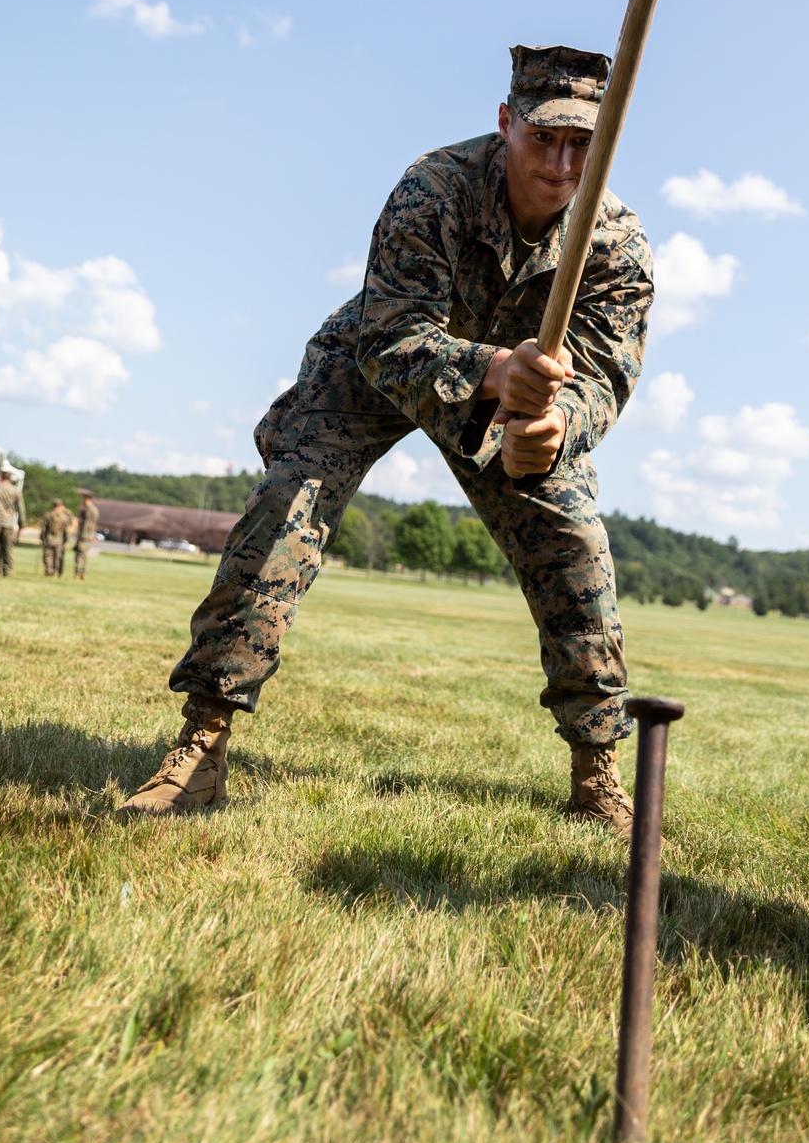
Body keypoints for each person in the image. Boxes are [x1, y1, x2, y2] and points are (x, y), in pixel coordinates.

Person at [117, 45, 655, 838]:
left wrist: (555, 427)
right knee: (286, 507)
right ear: (506, 124)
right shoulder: (433, 188)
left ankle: (597, 773)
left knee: (571, 537)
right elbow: (391, 335)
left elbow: (605, 373)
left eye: (582, 143)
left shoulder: (617, 245)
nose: (561, 161)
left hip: (519, 397)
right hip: (383, 362)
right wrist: (492, 368)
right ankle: (202, 744)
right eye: (543, 137)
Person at [40, 498, 74, 577]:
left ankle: (48, 571)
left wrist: (42, 538)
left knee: (48, 556)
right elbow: (66, 530)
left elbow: (44, 529)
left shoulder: (48, 515)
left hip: (49, 539)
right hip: (59, 540)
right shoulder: (64, 517)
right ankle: (55, 571)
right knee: (57, 557)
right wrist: (65, 540)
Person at [74, 490, 100, 579]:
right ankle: (82, 573)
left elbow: (86, 525)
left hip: (84, 536)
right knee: (84, 555)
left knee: (80, 554)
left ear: (86, 499)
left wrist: (80, 536)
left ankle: (78, 573)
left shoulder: (89, 510)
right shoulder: (95, 509)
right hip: (89, 536)